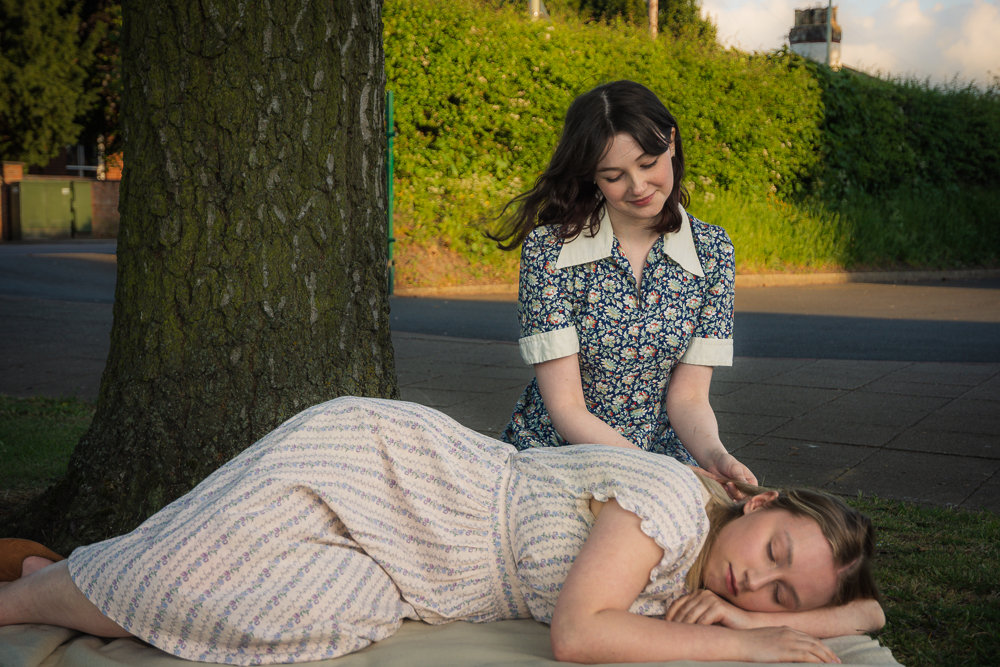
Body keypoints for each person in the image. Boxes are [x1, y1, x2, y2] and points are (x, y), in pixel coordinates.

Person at [0, 397, 883, 665]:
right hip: (394, 472)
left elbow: (867, 615)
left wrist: (750, 617)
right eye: (770, 555)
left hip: (413, 572)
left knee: (282, 618)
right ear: (762, 503)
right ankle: (28, 593)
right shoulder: (671, 500)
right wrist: (758, 647)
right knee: (188, 572)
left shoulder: (704, 585)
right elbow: (581, 635)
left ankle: (61, 572)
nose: (753, 585)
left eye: (781, 593)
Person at [490, 80, 755, 485]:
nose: (638, 187)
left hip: (667, 462)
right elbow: (566, 409)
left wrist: (716, 457)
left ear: (671, 141)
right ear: (592, 176)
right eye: (614, 175)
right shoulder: (550, 252)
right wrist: (661, 473)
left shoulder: (712, 251)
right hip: (560, 461)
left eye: (648, 163)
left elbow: (688, 398)